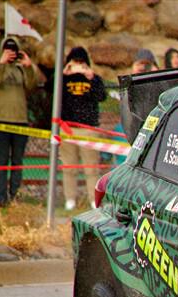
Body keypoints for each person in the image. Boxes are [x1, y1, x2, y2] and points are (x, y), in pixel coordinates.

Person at [0, 37, 38, 207]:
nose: (11, 53)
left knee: (17, 160)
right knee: (2, 160)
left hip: (20, 121)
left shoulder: (20, 70)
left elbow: (31, 86)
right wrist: (2, 63)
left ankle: (15, 195)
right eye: (7, 50)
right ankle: (1, 196)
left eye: (13, 50)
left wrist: (29, 67)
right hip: (2, 121)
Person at [60, 46, 107, 211]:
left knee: (91, 168)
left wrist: (91, 77)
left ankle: (94, 201)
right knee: (68, 166)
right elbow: (51, 92)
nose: (78, 65)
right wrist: (63, 75)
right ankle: (70, 199)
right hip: (67, 128)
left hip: (89, 128)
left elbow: (102, 96)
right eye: (75, 62)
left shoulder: (93, 78)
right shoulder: (63, 78)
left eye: (81, 62)